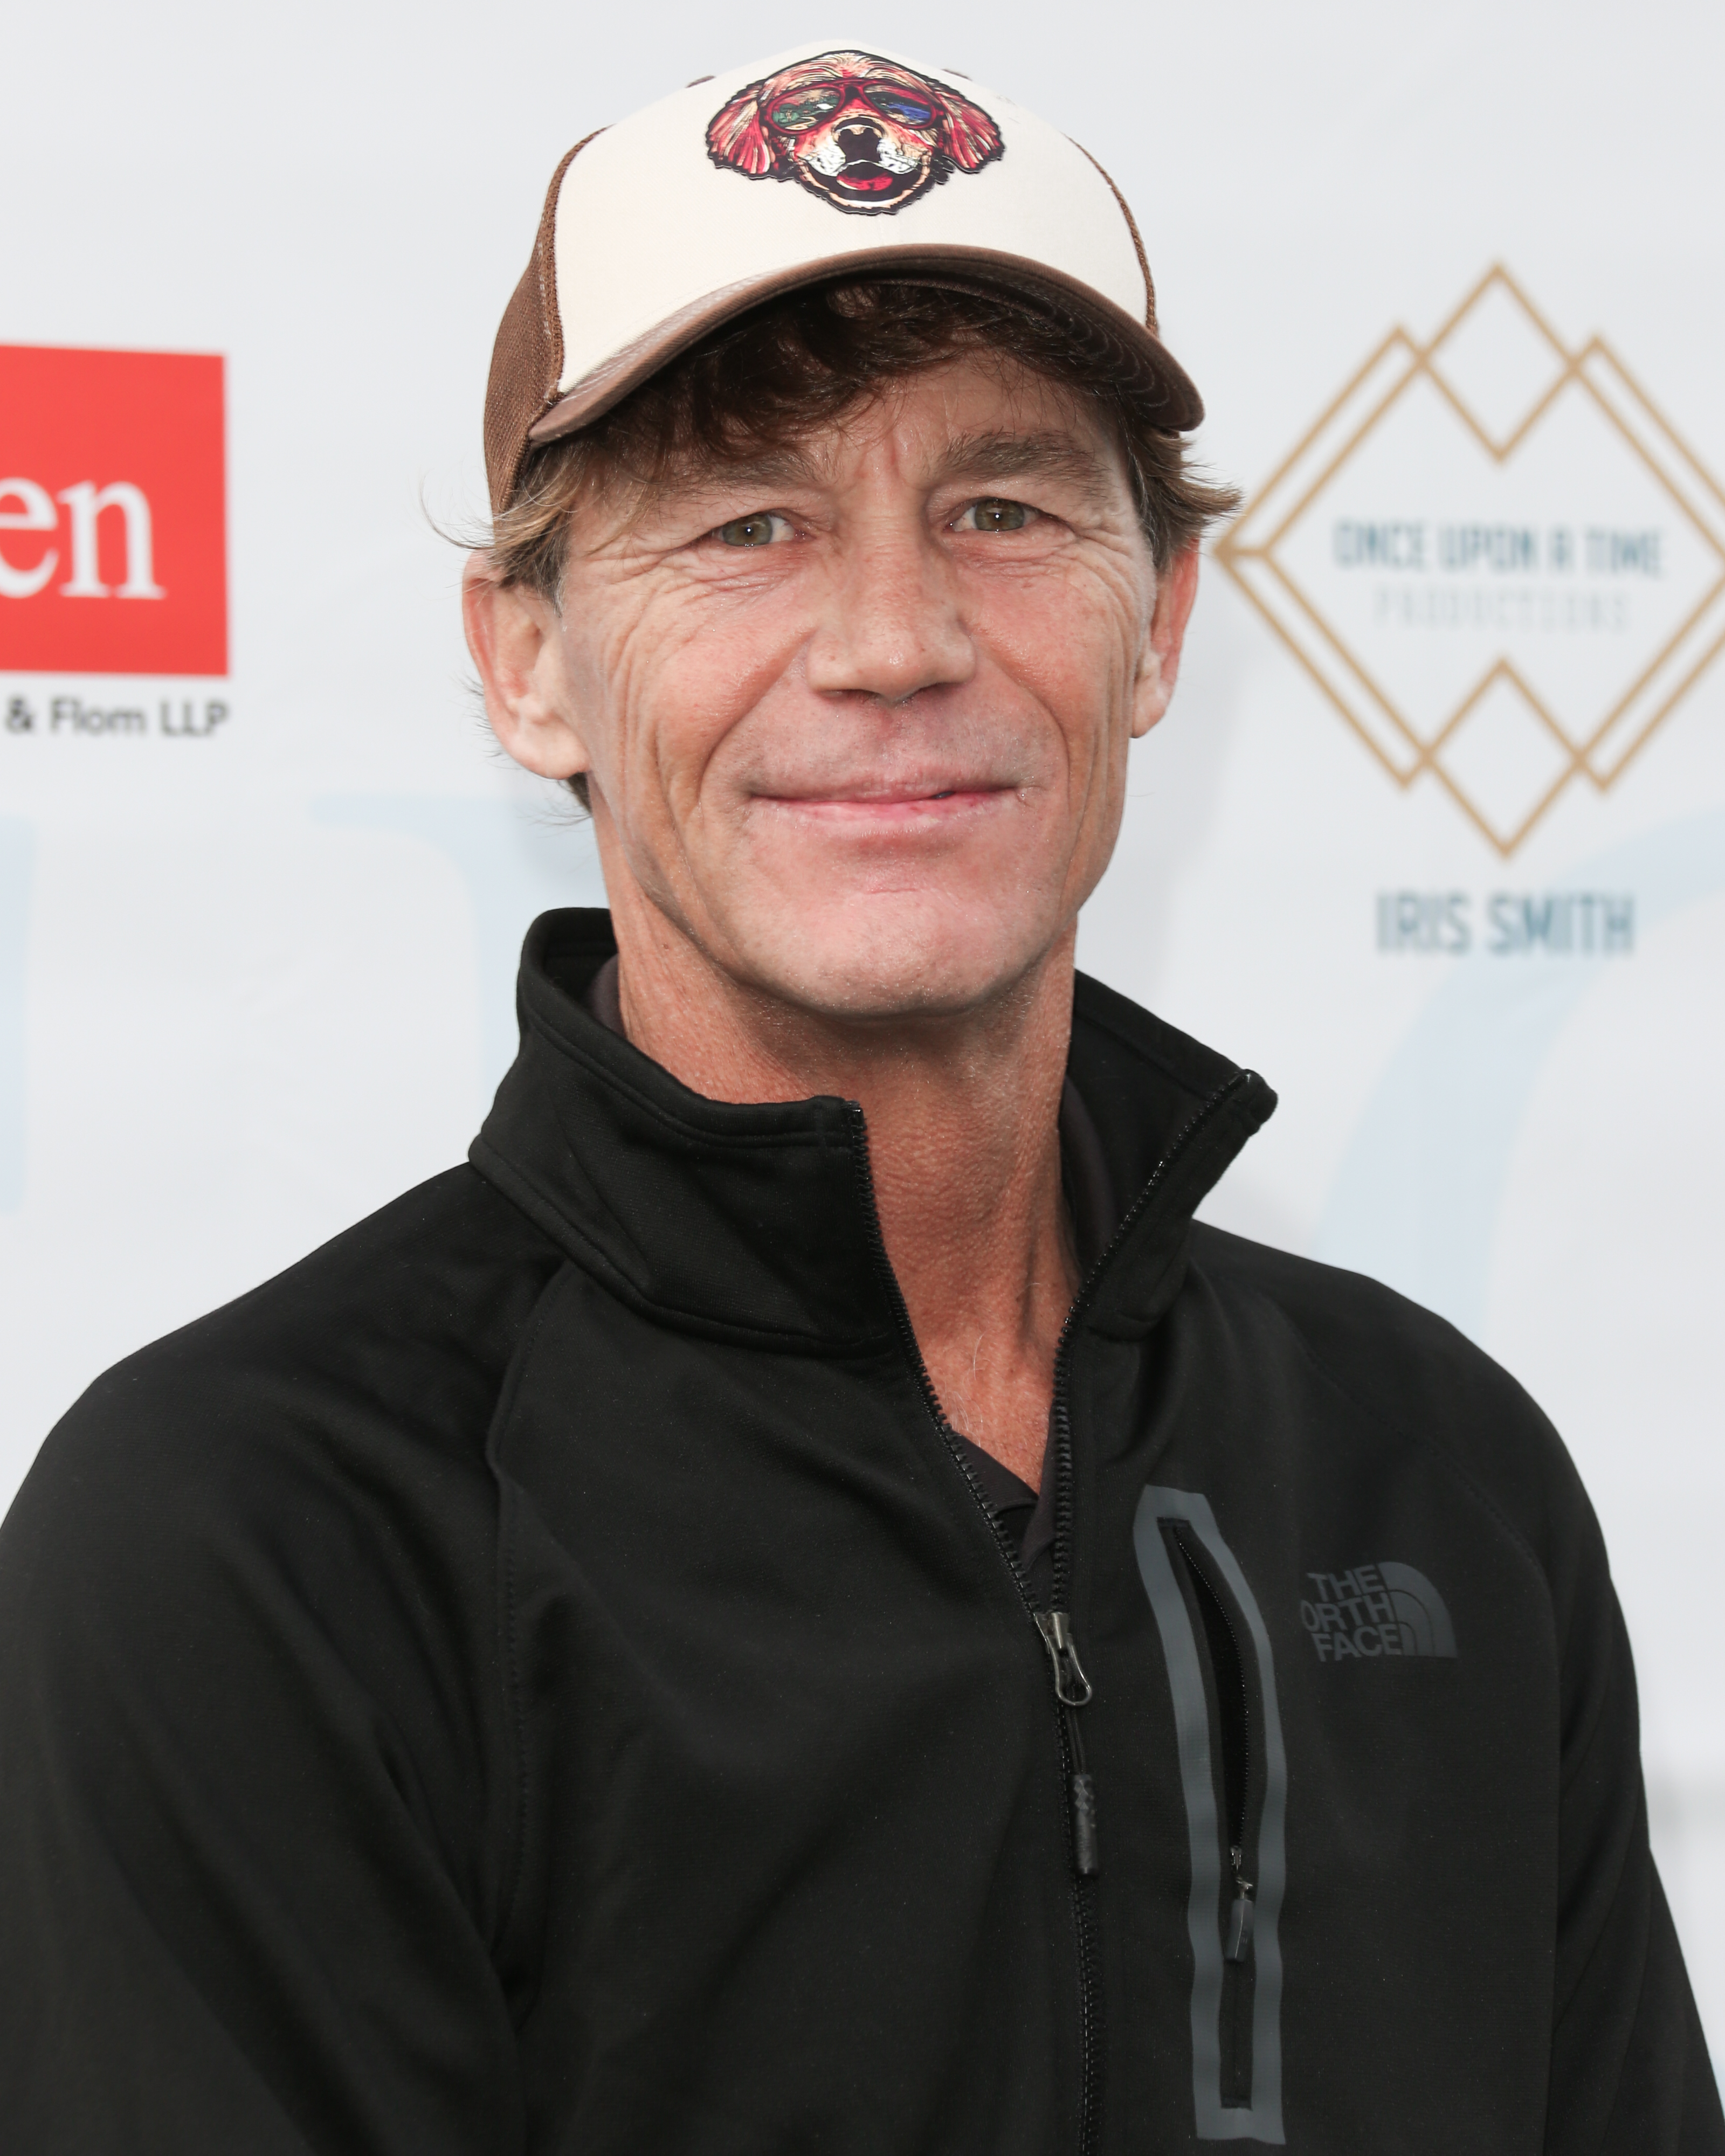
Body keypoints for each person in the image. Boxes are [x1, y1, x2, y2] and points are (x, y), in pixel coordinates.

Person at [2, 41, 1719, 2156]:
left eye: (999, 508)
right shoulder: (256, 1536)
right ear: (527, 660)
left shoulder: (1432, 1469)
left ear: (1157, 617)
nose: (896, 636)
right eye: (747, 522)